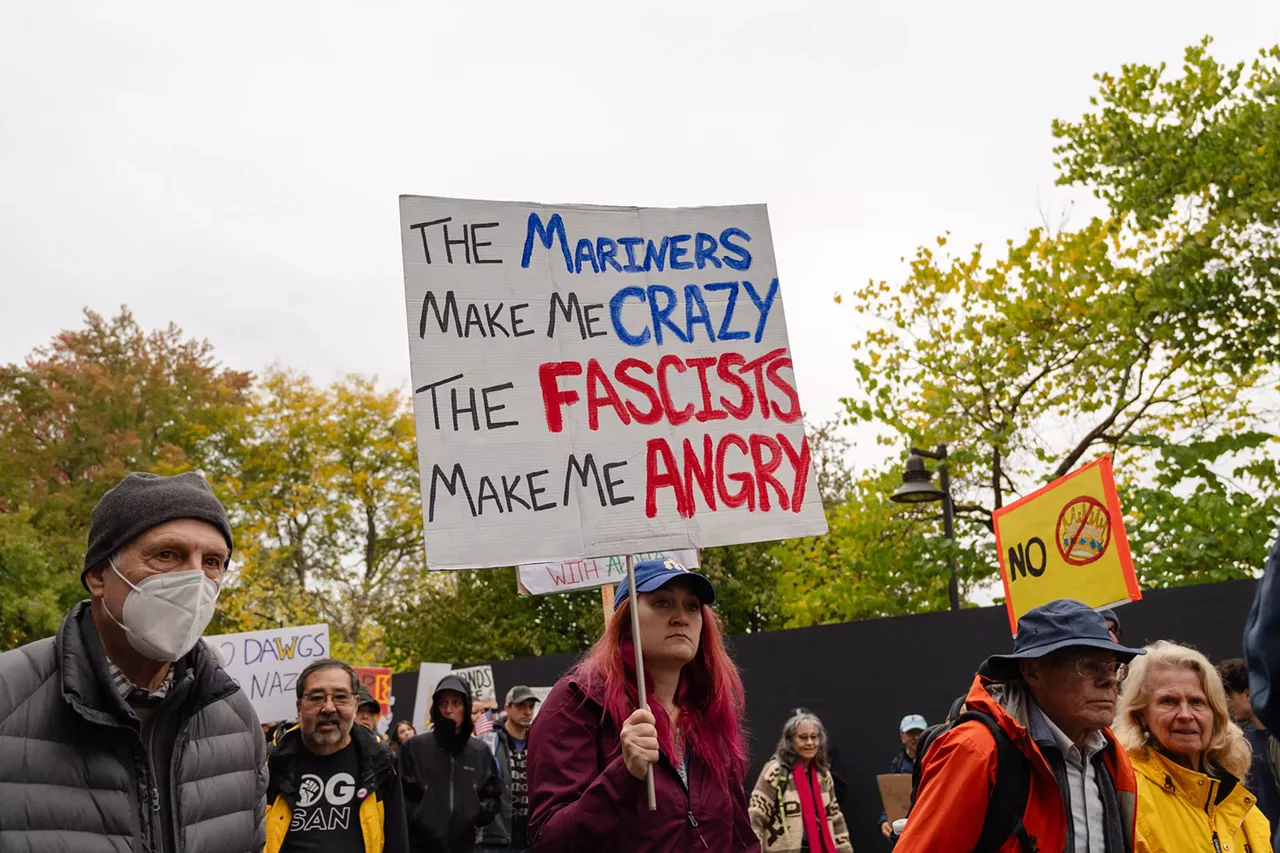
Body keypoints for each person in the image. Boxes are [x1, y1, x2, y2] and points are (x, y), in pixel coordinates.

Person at [0, 471, 267, 852]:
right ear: (98, 574)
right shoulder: (9, 698)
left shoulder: (236, 719)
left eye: (212, 562)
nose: (195, 581)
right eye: (167, 555)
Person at [527, 558, 758, 852]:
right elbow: (550, 840)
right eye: (662, 602)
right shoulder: (578, 701)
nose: (681, 617)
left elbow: (740, 838)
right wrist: (623, 776)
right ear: (626, 620)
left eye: (691, 606)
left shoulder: (710, 712)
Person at [897, 598, 1145, 853]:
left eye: (1114, 667)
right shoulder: (976, 749)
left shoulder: (1111, 756)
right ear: (1032, 672)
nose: (1108, 680)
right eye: (1088, 666)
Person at [1115, 641, 1273, 851]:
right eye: (1168, 701)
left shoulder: (1241, 805)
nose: (1185, 715)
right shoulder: (1126, 793)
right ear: (1141, 715)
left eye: (1197, 702)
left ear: (1216, 715)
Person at [266, 658, 410, 853]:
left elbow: (397, 842)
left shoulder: (380, 762)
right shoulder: (271, 763)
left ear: (355, 704)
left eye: (340, 697)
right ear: (299, 707)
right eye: (317, 697)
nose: (328, 708)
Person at [399, 674, 503, 853]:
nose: (449, 710)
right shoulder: (414, 748)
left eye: (456, 703)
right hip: (421, 847)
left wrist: (475, 811)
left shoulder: (480, 751)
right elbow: (400, 796)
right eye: (443, 703)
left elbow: (493, 796)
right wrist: (420, 816)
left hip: (467, 847)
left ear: (466, 706)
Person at [748, 711, 853, 852]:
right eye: (803, 738)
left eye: (814, 737)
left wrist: (845, 849)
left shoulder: (823, 774)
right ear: (790, 741)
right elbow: (755, 818)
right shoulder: (776, 771)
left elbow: (835, 818)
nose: (810, 743)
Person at [1219, 657, 1280, 836]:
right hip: (1255, 838)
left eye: (1229, 697)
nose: (1227, 705)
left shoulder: (1276, 740)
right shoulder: (1243, 741)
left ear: (1247, 695)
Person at [480, 685, 541, 853]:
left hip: (529, 838)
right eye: (521, 706)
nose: (527, 712)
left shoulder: (538, 741)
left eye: (531, 706)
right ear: (507, 708)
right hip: (496, 838)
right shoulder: (490, 741)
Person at [878, 713, 927, 840]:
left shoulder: (934, 759)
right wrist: (885, 819)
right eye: (911, 733)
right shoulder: (898, 764)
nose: (916, 737)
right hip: (905, 827)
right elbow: (890, 796)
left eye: (920, 732)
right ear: (902, 736)